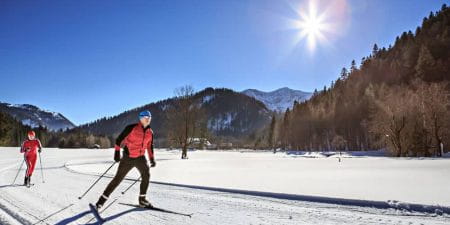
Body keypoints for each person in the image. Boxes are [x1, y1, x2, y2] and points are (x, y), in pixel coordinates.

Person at [95, 110, 156, 209]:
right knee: (118, 179)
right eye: (146, 117)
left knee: (146, 175)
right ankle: (101, 200)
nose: (148, 119)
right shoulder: (131, 128)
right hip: (128, 158)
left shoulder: (150, 132)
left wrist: (152, 159)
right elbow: (119, 140)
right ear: (141, 118)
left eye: (149, 118)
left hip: (141, 158)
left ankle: (142, 200)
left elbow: (150, 146)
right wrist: (117, 153)